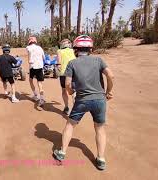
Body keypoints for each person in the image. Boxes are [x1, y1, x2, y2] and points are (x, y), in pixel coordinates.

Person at [53, 35, 114, 171]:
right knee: (99, 129)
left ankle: (62, 152)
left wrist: (70, 92)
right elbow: (110, 75)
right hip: (99, 100)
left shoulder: (72, 63)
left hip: (82, 100)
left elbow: (68, 83)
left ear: (75, 49)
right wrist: (109, 91)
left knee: (70, 125)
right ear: (90, 49)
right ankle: (101, 159)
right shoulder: (98, 60)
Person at [57, 39, 76, 114]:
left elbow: (59, 63)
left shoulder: (59, 51)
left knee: (64, 90)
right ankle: (75, 109)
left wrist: (58, 67)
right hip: (74, 73)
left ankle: (66, 107)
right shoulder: (73, 51)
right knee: (73, 91)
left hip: (63, 73)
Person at [26, 36, 46, 106]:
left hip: (32, 67)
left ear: (30, 42)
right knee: (39, 83)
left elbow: (29, 60)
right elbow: (44, 58)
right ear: (35, 41)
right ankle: (42, 98)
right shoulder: (40, 48)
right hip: (40, 67)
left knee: (30, 80)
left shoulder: (28, 48)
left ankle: (35, 95)